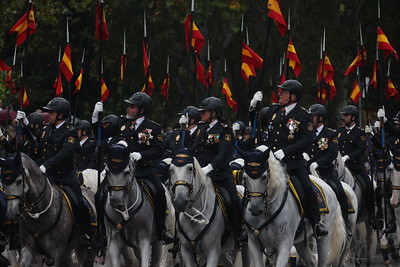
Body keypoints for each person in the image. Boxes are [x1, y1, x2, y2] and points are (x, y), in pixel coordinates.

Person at [250, 79, 329, 238]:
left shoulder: (304, 115)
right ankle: (249, 221)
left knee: (307, 187)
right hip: (272, 162)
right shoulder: (273, 110)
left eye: (284, 93)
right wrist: (253, 107)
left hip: (293, 162)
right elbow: (255, 123)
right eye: (281, 92)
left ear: (293, 96)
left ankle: (316, 223)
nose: (280, 95)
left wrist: (285, 151)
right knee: (253, 182)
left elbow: (306, 139)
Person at [92, 92, 174, 244]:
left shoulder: (153, 128)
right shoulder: (122, 122)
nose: (128, 109)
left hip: (143, 170)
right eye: (128, 106)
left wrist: (141, 155)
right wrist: (95, 118)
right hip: (121, 170)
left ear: (141, 110)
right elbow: (101, 133)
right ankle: (102, 232)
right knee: (99, 196)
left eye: (132, 106)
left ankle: (161, 230)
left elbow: (159, 150)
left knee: (160, 192)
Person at [16, 97, 92, 247]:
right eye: (48, 112)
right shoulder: (46, 129)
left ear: (61, 115)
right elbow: (35, 140)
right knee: (24, 199)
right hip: (46, 177)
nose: (47, 114)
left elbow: (65, 153)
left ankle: (86, 233)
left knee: (79, 203)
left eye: (51, 112)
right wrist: (25, 124)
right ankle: (21, 234)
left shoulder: (70, 132)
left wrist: (46, 165)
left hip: (64, 177)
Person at [195, 96, 246, 249]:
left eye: (205, 112)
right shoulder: (202, 129)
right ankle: (179, 238)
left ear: (214, 113)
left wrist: (210, 167)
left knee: (234, 201)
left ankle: (238, 235)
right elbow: (195, 149)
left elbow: (224, 153)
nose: (202, 114)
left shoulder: (225, 129)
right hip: (201, 174)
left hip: (220, 175)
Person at [306, 104, 352, 236]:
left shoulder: (331, 134)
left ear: (320, 118)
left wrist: (317, 163)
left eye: (313, 117)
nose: (311, 119)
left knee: (340, 191)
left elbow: (332, 153)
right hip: (308, 171)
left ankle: (345, 222)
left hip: (326, 172)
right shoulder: (308, 133)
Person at [338, 105, 376, 227]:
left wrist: (348, 156)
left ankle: (371, 215)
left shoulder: (360, 133)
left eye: (346, 115)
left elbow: (361, 150)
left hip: (356, 168)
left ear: (353, 117)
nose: (343, 118)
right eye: (343, 115)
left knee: (369, 185)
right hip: (341, 168)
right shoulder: (339, 132)